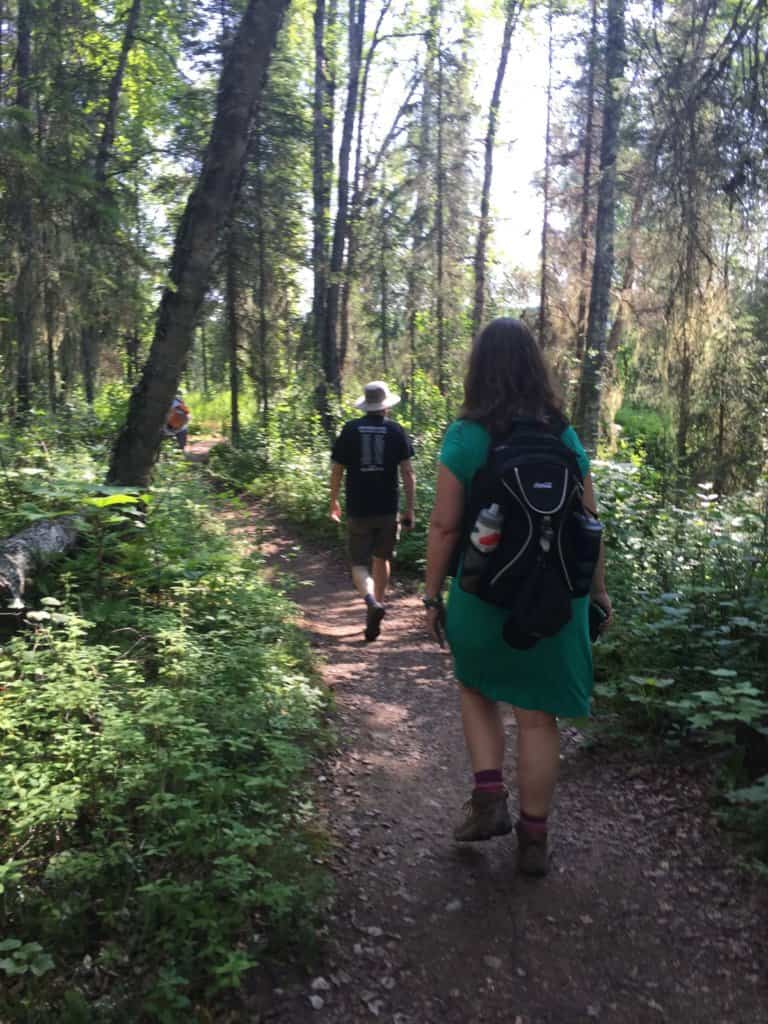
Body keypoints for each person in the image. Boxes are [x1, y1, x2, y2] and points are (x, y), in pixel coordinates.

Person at [422, 318, 612, 876]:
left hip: (485, 597)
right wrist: (598, 593)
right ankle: (534, 838)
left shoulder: (465, 436)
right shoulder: (564, 435)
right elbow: (590, 520)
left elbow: (444, 528)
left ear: (478, 369)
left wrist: (432, 595)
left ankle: (488, 800)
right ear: (535, 366)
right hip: (556, 600)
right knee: (537, 718)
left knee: (476, 687)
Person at [330, 381, 416, 642]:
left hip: (358, 509)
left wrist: (333, 500)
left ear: (366, 405)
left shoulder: (350, 429)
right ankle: (378, 602)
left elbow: (337, 469)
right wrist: (410, 509)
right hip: (388, 509)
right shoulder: (396, 430)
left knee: (358, 564)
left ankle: (370, 602)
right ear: (386, 406)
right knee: (382, 559)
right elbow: (408, 473)